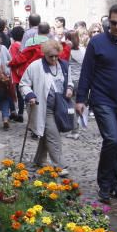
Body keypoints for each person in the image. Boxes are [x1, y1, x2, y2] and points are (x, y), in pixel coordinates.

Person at [75, 4, 117, 204]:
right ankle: (104, 184)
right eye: (114, 23)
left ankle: (113, 183)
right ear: (108, 22)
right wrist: (81, 98)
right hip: (103, 99)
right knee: (112, 139)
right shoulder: (97, 42)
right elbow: (87, 71)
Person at [20, 40, 71, 170]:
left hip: (60, 106)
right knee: (53, 134)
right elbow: (23, 84)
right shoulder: (35, 66)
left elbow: (69, 82)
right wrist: (30, 94)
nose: (54, 59)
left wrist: (70, 88)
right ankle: (60, 166)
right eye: (51, 56)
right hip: (44, 107)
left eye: (56, 56)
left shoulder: (64, 66)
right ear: (44, 54)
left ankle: (38, 160)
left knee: (46, 132)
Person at [64, 30, 86, 139]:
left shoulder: (69, 52)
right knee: (79, 104)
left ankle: (74, 130)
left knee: (71, 107)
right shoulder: (83, 50)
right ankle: (79, 124)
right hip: (81, 81)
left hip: (71, 82)